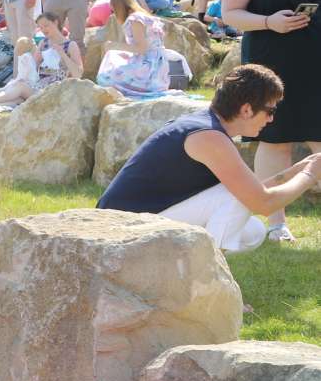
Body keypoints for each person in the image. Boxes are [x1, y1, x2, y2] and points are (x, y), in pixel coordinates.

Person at [99, 65, 319, 250]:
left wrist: (297, 170)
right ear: (246, 110)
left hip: (132, 224)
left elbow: (253, 191)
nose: (271, 119)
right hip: (118, 232)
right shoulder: (210, 137)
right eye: (270, 111)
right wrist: (310, 175)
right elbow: (262, 202)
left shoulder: (207, 127)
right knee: (235, 198)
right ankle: (214, 285)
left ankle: (194, 270)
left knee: (253, 231)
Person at [218, 0, 321, 243]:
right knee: (275, 142)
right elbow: (231, 15)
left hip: (316, 63)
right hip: (271, 64)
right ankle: (276, 224)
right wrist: (269, 22)